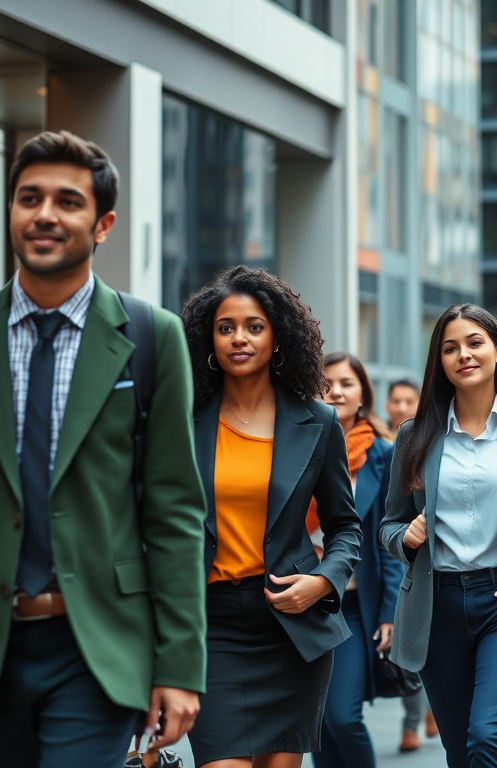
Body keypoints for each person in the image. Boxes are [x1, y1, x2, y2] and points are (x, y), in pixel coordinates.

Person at [0, 131, 207, 766]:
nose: (44, 214)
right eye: (28, 198)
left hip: (96, 648)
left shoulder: (153, 337)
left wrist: (180, 665)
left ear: (103, 224)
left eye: (67, 201)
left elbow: (176, 513)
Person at [182, 266, 362, 768]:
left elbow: (346, 526)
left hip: (292, 625)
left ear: (277, 337)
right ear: (208, 340)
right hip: (209, 625)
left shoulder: (319, 422)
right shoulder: (181, 418)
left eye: (254, 326)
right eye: (225, 327)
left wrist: (325, 581)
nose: (239, 338)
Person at [380, 303, 497, 768]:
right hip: (436, 604)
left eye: (474, 343)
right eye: (450, 348)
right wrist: (407, 537)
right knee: (460, 753)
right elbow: (387, 524)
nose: (463, 354)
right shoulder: (413, 435)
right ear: (439, 361)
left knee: (486, 739)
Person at [313, 352, 403, 768]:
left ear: (363, 393)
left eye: (347, 383)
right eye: (327, 381)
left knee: (342, 716)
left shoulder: (383, 455)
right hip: (300, 599)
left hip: (351, 604)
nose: (336, 390)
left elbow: (392, 537)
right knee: (316, 725)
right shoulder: (298, 441)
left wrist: (389, 611)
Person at [383, 377, 438, 752]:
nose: (401, 406)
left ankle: (423, 713)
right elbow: (391, 519)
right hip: (409, 566)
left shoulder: (422, 437)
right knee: (411, 655)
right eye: (396, 400)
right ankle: (413, 720)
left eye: (408, 400)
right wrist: (404, 536)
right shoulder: (402, 440)